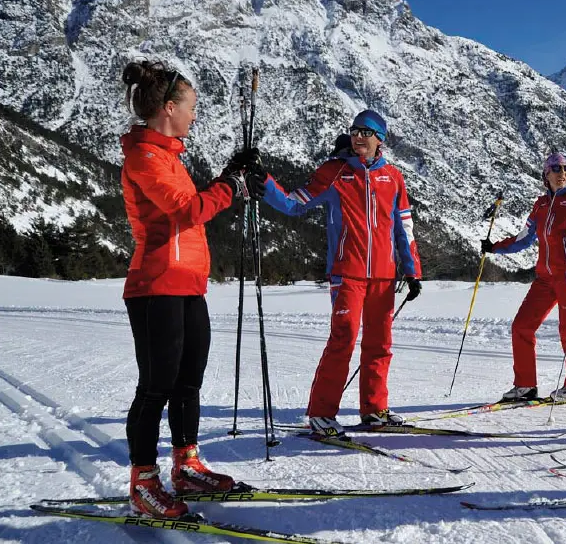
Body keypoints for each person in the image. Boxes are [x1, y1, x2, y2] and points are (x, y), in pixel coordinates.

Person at [120, 60, 266, 518]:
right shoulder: (143, 157)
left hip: (187, 285)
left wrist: (231, 175)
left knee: (188, 382)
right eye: (191, 107)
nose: (194, 116)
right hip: (154, 285)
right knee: (156, 385)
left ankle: (186, 466)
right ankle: (143, 483)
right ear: (168, 108)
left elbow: (194, 204)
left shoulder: (169, 157)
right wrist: (233, 185)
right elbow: (186, 210)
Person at [262, 110, 422, 438]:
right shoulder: (334, 172)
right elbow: (294, 204)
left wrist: (412, 269)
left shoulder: (393, 177)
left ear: (381, 139)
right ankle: (321, 413)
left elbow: (403, 226)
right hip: (346, 273)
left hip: (383, 276)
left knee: (380, 343)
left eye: (367, 131)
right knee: (343, 339)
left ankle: (374, 409)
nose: (359, 137)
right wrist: (263, 182)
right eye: (354, 131)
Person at [483, 152, 566, 403]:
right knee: (522, 326)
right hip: (545, 277)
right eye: (556, 169)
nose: (562, 173)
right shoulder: (542, 205)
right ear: (545, 175)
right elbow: (524, 239)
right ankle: (525, 386)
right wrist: (494, 247)